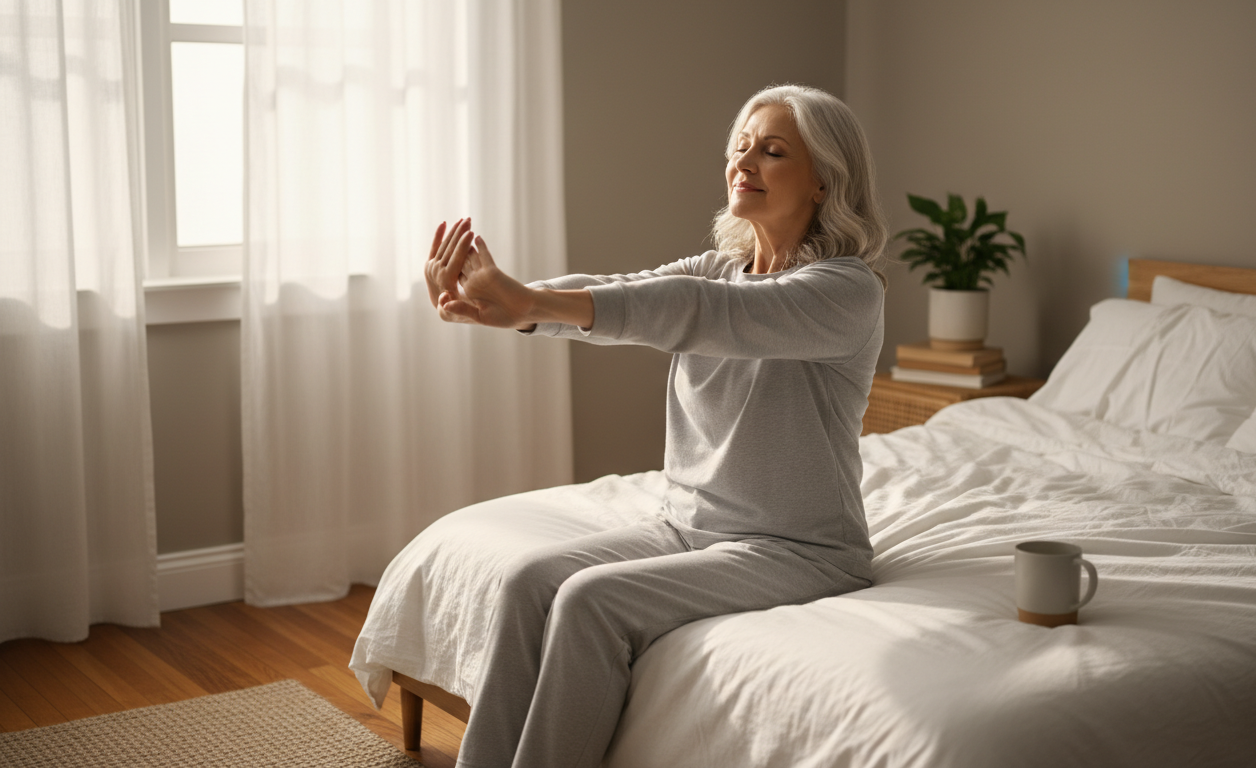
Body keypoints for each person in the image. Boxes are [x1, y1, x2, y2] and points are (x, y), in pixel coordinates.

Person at [425, 84, 888, 768]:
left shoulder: (846, 292)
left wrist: (528, 300)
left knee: (589, 602)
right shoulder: (721, 269)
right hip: (688, 524)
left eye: (772, 150)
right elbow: (628, 293)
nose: (744, 161)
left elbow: (691, 311)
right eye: (739, 146)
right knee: (528, 581)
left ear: (824, 181)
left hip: (798, 547)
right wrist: (514, 307)